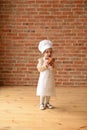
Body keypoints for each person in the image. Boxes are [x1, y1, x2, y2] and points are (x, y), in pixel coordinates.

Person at [36, 39, 56, 110]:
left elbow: (55, 70)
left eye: (50, 52)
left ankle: (47, 103)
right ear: (43, 53)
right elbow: (39, 69)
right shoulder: (41, 60)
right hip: (43, 78)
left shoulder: (52, 60)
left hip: (50, 78)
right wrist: (45, 65)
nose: (49, 53)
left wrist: (52, 66)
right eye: (47, 52)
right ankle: (41, 103)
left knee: (49, 91)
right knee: (43, 90)